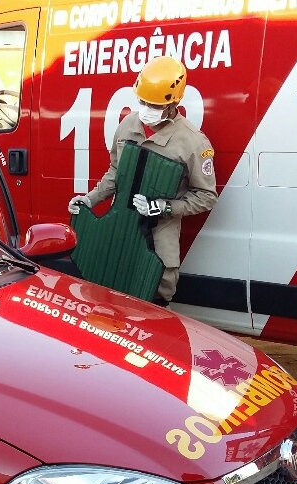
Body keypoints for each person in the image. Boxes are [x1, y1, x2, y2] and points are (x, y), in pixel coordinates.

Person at [68, 55, 217, 307]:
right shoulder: (127, 125)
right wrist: (89, 199)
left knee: (151, 318)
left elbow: (206, 196)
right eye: (143, 102)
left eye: (155, 105)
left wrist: (164, 207)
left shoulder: (193, 142)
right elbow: (115, 173)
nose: (147, 109)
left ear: (174, 103)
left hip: (155, 250)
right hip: (117, 242)